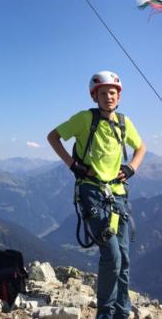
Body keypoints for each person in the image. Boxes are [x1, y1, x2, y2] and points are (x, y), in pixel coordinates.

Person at [47, 71, 146, 319]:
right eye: (103, 93)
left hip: (118, 195)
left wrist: (131, 167)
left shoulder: (124, 122)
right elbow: (53, 137)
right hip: (92, 193)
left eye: (112, 92)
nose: (108, 97)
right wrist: (73, 165)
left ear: (118, 96)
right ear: (95, 96)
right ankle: (105, 312)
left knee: (123, 258)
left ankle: (121, 312)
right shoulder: (84, 119)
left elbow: (141, 147)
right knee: (112, 255)